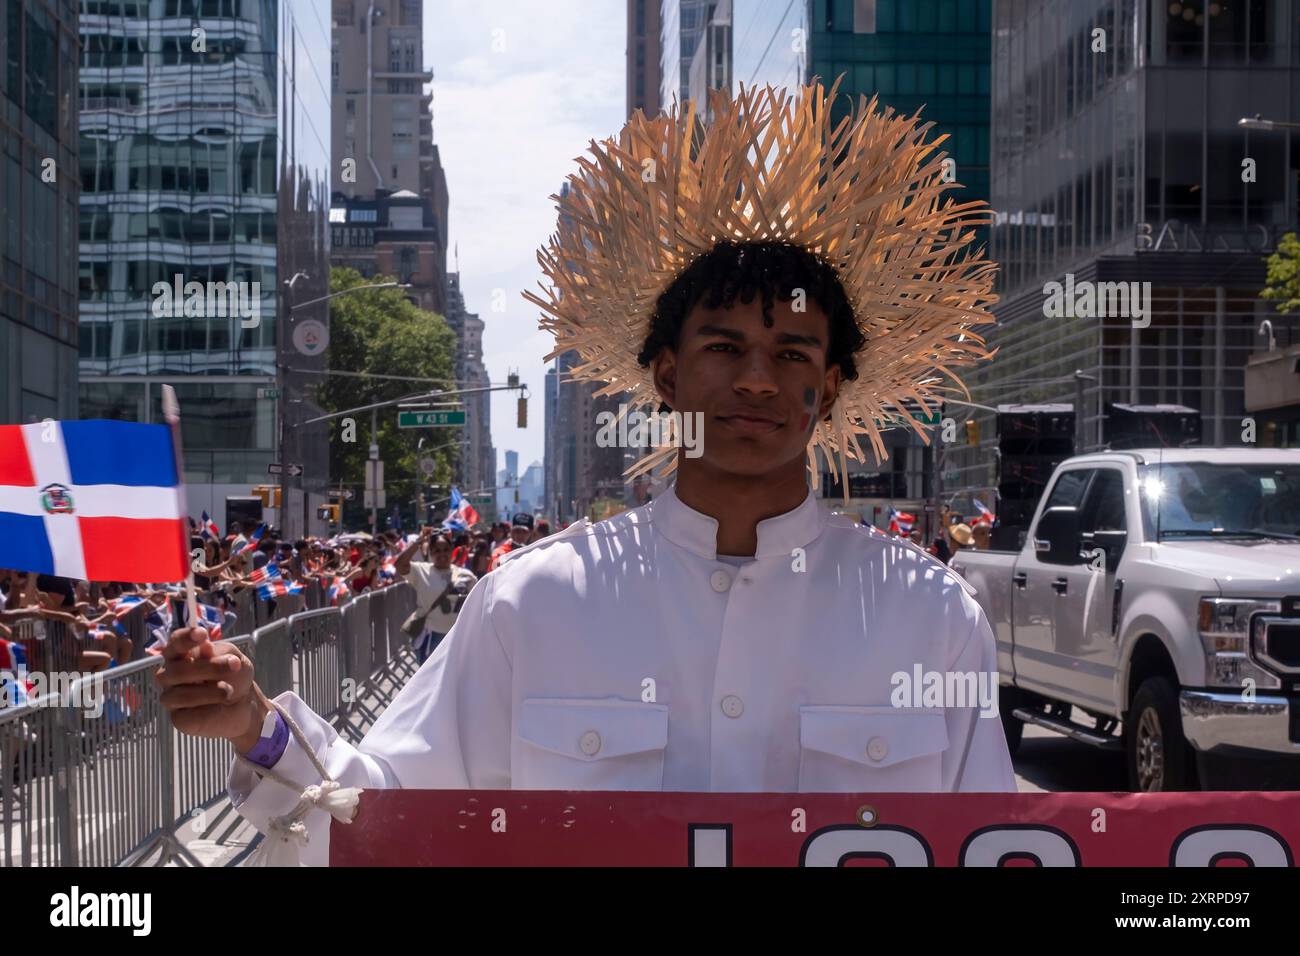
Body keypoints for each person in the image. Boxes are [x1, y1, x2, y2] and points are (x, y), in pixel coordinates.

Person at [158, 80, 1011, 865]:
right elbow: (382, 815)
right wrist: (256, 727)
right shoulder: (533, 604)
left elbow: (991, 847)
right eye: (724, 347)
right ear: (667, 376)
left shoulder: (930, 616)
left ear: (825, 390)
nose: (757, 379)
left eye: (791, 353)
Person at [395, 530, 479, 663]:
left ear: (452, 551)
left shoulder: (466, 575)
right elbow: (400, 564)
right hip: (431, 636)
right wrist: (418, 542)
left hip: (458, 637)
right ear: (430, 553)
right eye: (436, 550)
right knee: (429, 682)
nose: (442, 554)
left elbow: (476, 607)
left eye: (446, 549)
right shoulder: (421, 570)